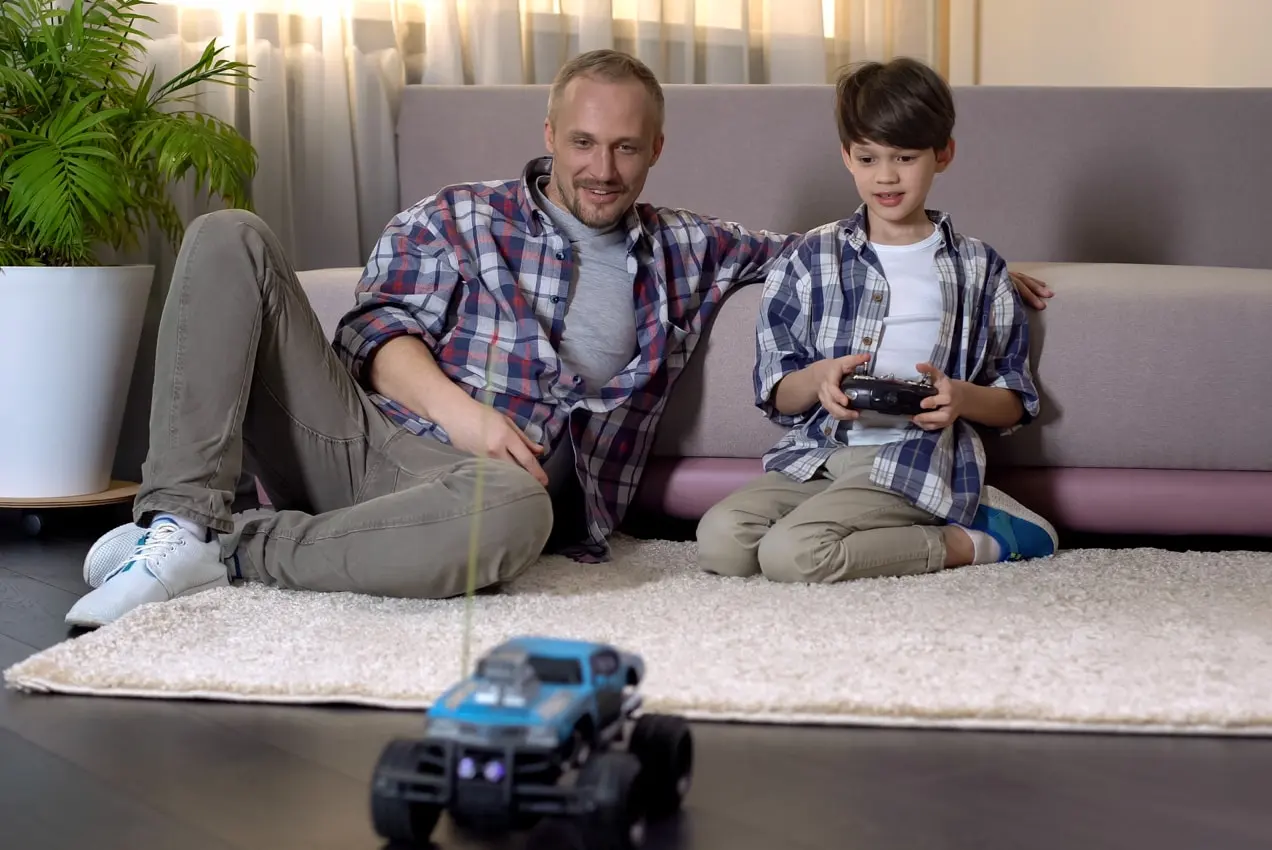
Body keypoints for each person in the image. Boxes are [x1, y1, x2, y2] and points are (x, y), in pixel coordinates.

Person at [66, 49, 1054, 629]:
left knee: (508, 516)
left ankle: (230, 552)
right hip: (378, 441)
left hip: (502, 497)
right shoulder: (463, 216)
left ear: (656, 149)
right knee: (228, 232)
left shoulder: (688, 248)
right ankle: (181, 520)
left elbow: (824, 245)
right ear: (551, 133)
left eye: (626, 147)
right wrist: (466, 416)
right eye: (584, 143)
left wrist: (940, 257)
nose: (602, 167)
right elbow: (374, 333)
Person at [696, 57, 1058, 584]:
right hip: (818, 453)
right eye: (867, 158)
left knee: (793, 555)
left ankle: (978, 536)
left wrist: (961, 397)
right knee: (721, 542)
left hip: (911, 454)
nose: (885, 176)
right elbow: (775, 390)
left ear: (943, 155)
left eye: (905, 157)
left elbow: (1014, 400)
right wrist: (820, 379)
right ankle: (876, 521)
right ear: (847, 156)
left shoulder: (978, 268)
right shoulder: (810, 258)